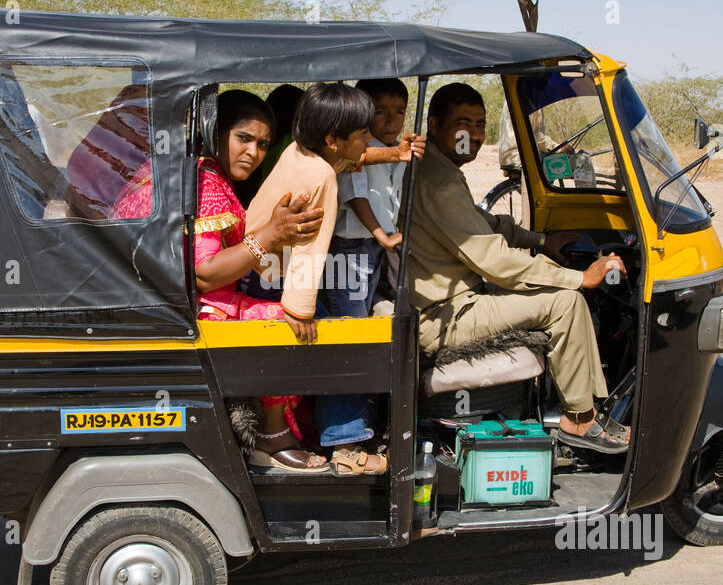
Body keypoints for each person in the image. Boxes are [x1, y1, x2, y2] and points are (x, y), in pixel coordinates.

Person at [407, 82, 630, 454]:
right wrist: (579, 278)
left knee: (549, 287)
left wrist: (540, 242)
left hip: (456, 301)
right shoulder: (439, 181)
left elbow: (483, 223)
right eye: (463, 124)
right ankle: (580, 419)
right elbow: (494, 260)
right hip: (444, 316)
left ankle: (579, 406)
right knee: (566, 303)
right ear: (433, 124)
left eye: (480, 125)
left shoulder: (437, 168)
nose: (475, 135)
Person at [114, 90, 328, 471]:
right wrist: (271, 235)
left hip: (166, 305)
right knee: (289, 323)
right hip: (192, 311)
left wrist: (270, 238)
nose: (254, 153)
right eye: (243, 138)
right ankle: (272, 433)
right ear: (215, 131)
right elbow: (206, 274)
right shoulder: (205, 181)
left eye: (264, 144)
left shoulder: (181, 169)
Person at [244, 82, 389, 475]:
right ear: (333, 139)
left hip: (260, 273)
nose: (368, 140)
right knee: (335, 340)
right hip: (275, 282)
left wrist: (394, 151)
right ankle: (345, 444)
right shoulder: (322, 176)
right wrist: (300, 310)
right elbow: (311, 249)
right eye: (362, 134)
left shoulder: (300, 153)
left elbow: (350, 160)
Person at [325, 78, 422, 318]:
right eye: (380, 112)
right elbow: (356, 196)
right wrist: (381, 235)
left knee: (363, 308)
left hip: (374, 246)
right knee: (351, 317)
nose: (391, 121)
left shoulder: (400, 149)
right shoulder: (356, 150)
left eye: (399, 112)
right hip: (350, 247)